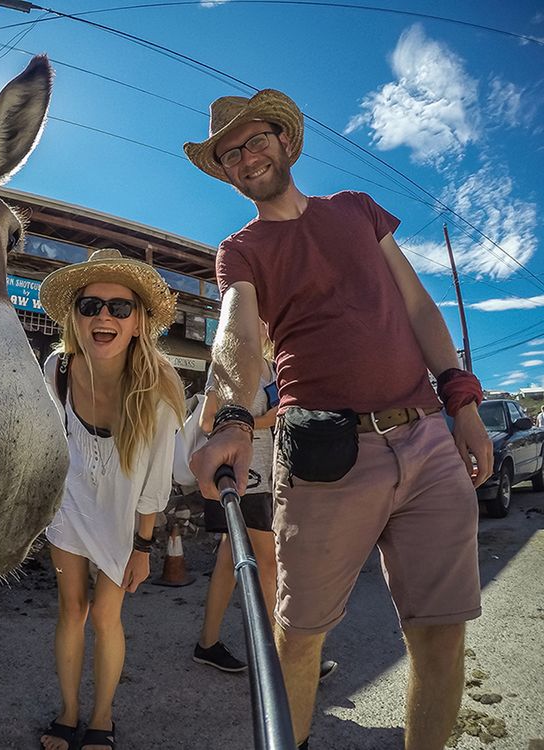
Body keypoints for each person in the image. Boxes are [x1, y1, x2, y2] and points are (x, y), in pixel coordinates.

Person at [183, 89, 492, 750]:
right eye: (229, 153)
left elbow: (416, 306)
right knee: (297, 640)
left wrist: (461, 399)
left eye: (254, 140)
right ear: (227, 173)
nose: (245, 157)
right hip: (325, 457)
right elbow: (237, 332)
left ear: (285, 142)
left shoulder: (355, 210)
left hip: (428, 439)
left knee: (440, 636)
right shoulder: (240, 250)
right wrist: (234, 418)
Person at [37, 248, 185, 750]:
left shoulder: (159, 384)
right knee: (71, 610)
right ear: (74, 318)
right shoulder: (56, 367)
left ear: (140, 321)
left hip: (124, 520)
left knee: (106, 617)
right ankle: (68, 711)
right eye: (91, 305)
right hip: (69, 509)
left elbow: (155, 482)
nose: (104, 315)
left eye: (120, 308)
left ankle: (102, 718)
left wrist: (145, 547)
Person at [193, 323, 337, 681]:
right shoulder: (225, 363)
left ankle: (207, 645)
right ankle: (282, 656)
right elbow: (206, 421)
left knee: (229, 560)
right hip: (242, 477)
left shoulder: (273, 366)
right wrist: (260, 421)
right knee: (269, 563)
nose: (260, 322)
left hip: (267, 478)